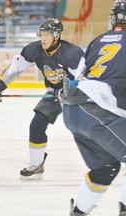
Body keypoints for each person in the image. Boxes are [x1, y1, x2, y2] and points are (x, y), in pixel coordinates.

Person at [0, 18, 84, 180]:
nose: (43, 39)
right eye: (42, 34)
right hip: (54, 92)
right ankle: (36, 164)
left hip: (77, 96)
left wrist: (70, 91)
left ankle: (113, 158)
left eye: (47, 35)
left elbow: (84, 79)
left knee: (88, 130)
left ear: (57, 35)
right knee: (36, 125)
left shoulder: (72, 54)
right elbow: (16, 68)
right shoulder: (34, 49)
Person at [60, 1, 126, 215]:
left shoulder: (99, 40)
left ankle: (79, 212)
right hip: (100, 110)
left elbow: (77, 76)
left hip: (74, 110)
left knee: (106, 168)